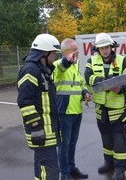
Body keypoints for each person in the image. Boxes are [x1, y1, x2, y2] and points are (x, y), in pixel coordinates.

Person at [84, 33, 126, 180]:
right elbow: (87, 76)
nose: (105, 50)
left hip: (118, 109)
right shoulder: (91, 61)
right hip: (101, 109)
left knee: (119, 139)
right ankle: (109, 163)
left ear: (111, 47)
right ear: (98, 49)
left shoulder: (122, 60)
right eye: (102, 48)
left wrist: (122, 88)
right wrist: (105, 81)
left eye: (107, 47)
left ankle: (120, 169)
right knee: (106, 138)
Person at [17, 33, 61, 180]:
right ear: (44, 53)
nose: (54, 57)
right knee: (50, 171)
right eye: (53, 53)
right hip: (41, 132)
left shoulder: (41, 70)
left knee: (42, 168)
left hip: (46, 132)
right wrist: (36, 127)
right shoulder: (31, 70)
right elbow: (24, 101)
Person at [53, 38, 92, 180]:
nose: (78, 52)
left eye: (77, 49)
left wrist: (85, 93)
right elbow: (62, 67)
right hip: (64, 112)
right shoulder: (58, 64)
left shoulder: (75, 66)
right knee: (64, 145)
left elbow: (80, 84)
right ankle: (64, 173)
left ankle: (71, 168)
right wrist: (67, 61)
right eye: (74, 50)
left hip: (76, 111)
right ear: (65, 52)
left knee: (72, 143)